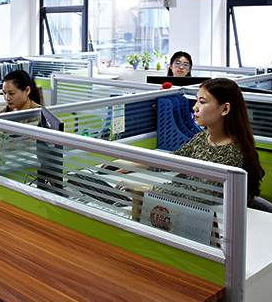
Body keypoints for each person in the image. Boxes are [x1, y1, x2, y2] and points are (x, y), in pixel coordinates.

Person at [111, 78, 264, 206]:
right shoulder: (204, 137)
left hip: (221, 223)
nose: (195, 108)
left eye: (202, 102)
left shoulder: (232, 153)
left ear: (225, 109)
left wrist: (146, 189)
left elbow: (198, 195)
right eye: (196, 101)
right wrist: (130, 165)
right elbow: (175, 160)